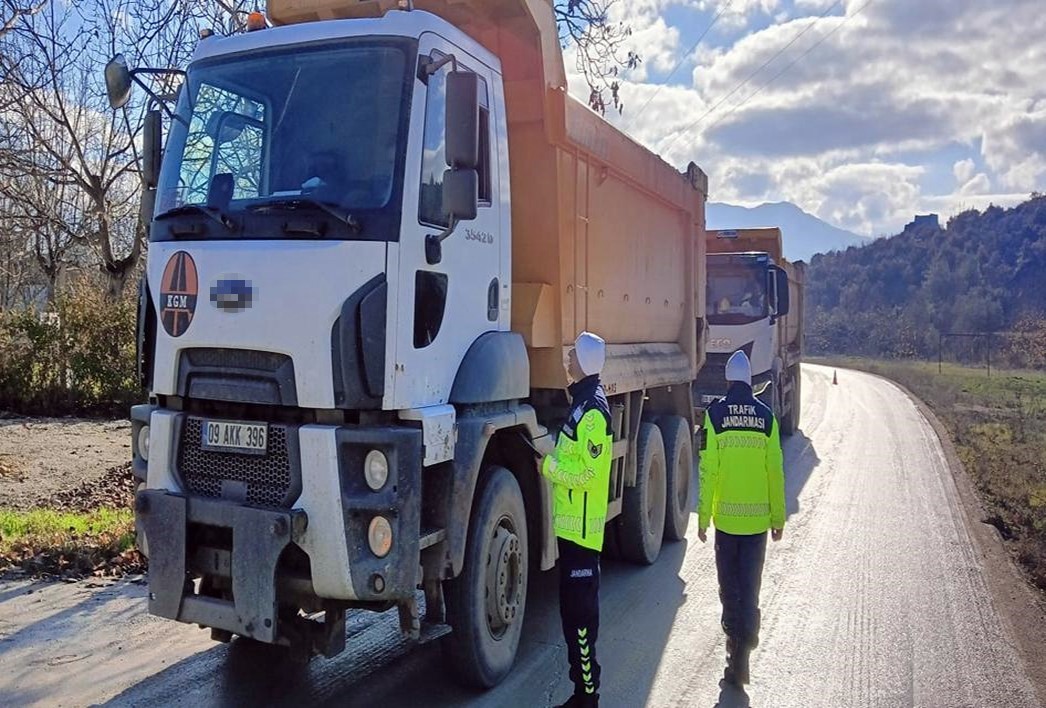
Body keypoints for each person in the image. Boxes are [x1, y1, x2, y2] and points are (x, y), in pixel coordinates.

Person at [697, 350, 785, 687]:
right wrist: (778, 517)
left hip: (727, 526)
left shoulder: (715, 415)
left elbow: (709, 471)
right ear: (750, 382)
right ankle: (746, 647)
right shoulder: (767, 418)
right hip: (757, 525)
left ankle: (735, 654)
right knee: (750, 591)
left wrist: (703, 517)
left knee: (729, 591)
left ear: (728, 380)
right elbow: (775, 473)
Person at [541, 331, 613, 708]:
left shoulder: (592, 414)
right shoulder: (580, 405)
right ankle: (581, 693)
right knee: (573, 619)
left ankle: (588, 698)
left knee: (581, 623)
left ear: (584, 362)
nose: (567, 361)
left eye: (572, 356)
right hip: (572, 530)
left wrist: (550, 469)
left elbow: (589, 475)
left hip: (583, 535)